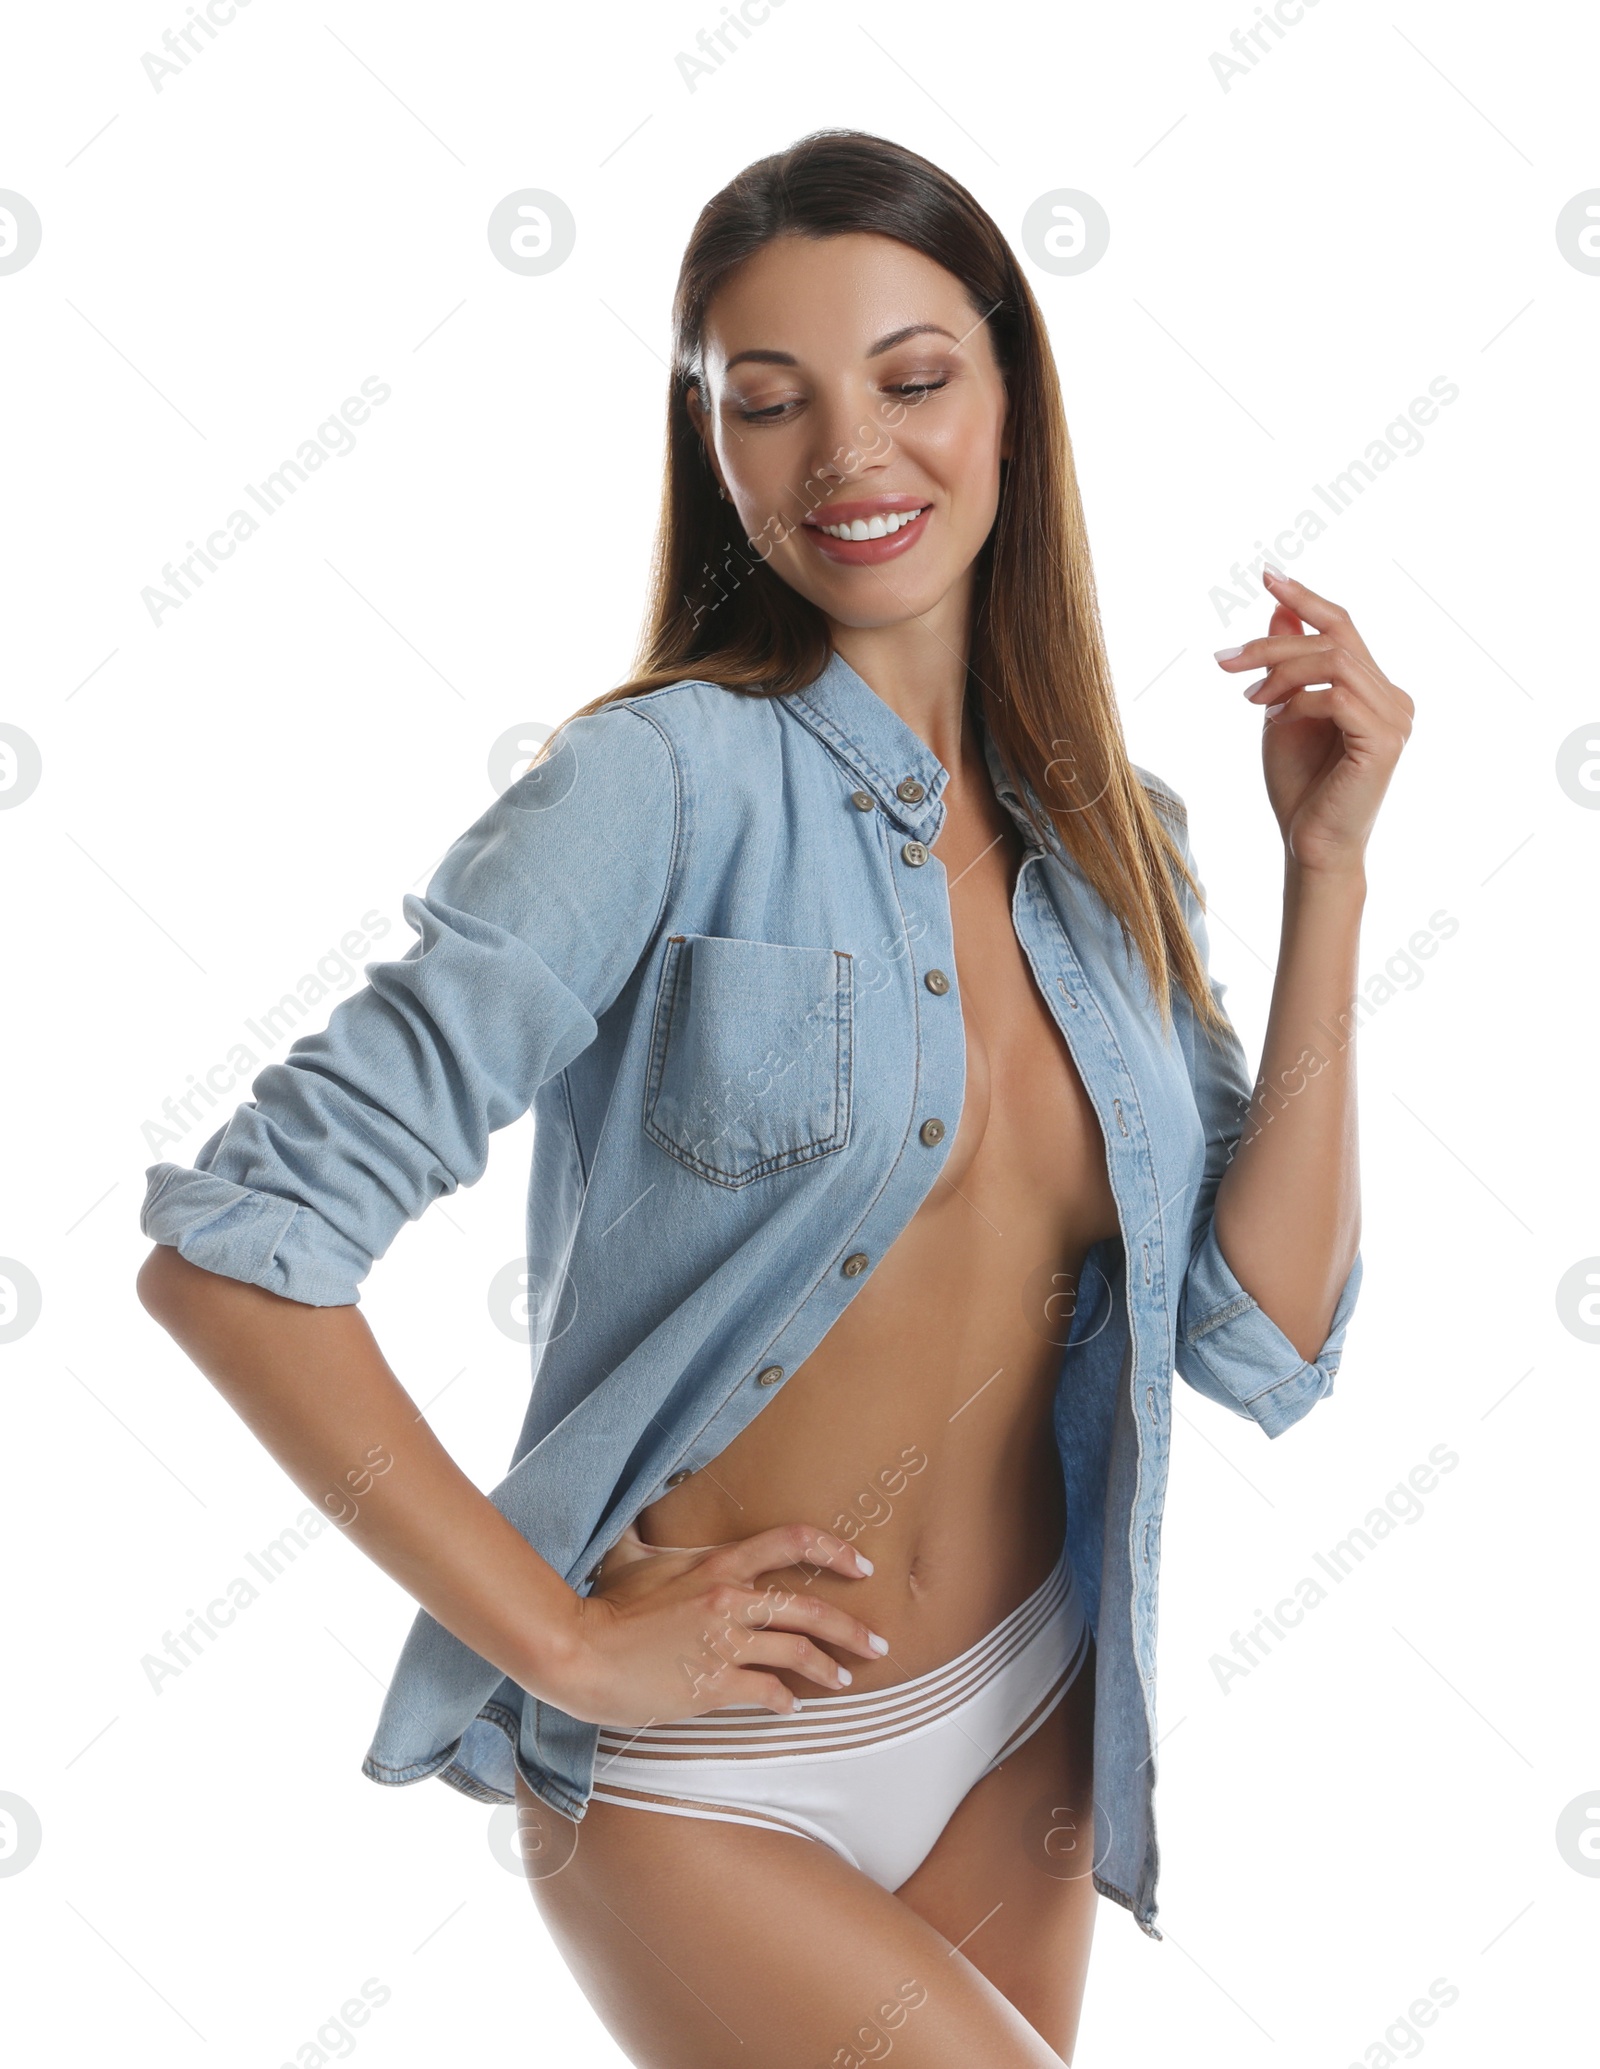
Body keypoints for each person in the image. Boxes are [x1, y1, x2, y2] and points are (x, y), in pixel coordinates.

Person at [135, 130, 1406, 2067]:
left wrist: (1328, 871)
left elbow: (1261, 1329)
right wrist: (552, 1641)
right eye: (765, 400)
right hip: (703, 1761)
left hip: (1025, 1706)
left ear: (1007, 397)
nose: (846, 458)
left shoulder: (1106, 835)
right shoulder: (655, 785)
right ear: (710, 445)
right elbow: (239, 1255)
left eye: (907, 382)